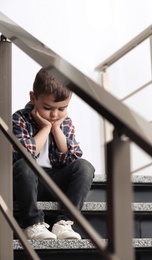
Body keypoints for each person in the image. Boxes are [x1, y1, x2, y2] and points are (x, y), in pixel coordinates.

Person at [12, 68, 95, 240]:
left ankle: (64, 223)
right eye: (48, 108)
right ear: (33, 98)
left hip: (55, 182)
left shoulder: (65, 123)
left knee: (85, 167)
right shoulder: (20, 118)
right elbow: (25, 155)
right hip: (26, 182)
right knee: (24, 165)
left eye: (62, 109)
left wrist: (56, 128)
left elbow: (72, 157)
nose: (55, 115)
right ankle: (33, 224)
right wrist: (46, 128)